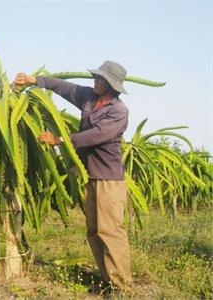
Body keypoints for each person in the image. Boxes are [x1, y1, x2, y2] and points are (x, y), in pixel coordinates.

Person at [13, 60, 133, 292]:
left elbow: (97, 135)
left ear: (110, 85)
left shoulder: (119, 111)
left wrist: (60, 140)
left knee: (111, 231)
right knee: (94, 230)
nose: (94, 81)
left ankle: (122, 287)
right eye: (96, 77)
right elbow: (65, 88)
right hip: (91, 174)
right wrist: (35, 80)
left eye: (99, 79)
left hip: (109, 179)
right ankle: (107, 280)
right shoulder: (89, 97)